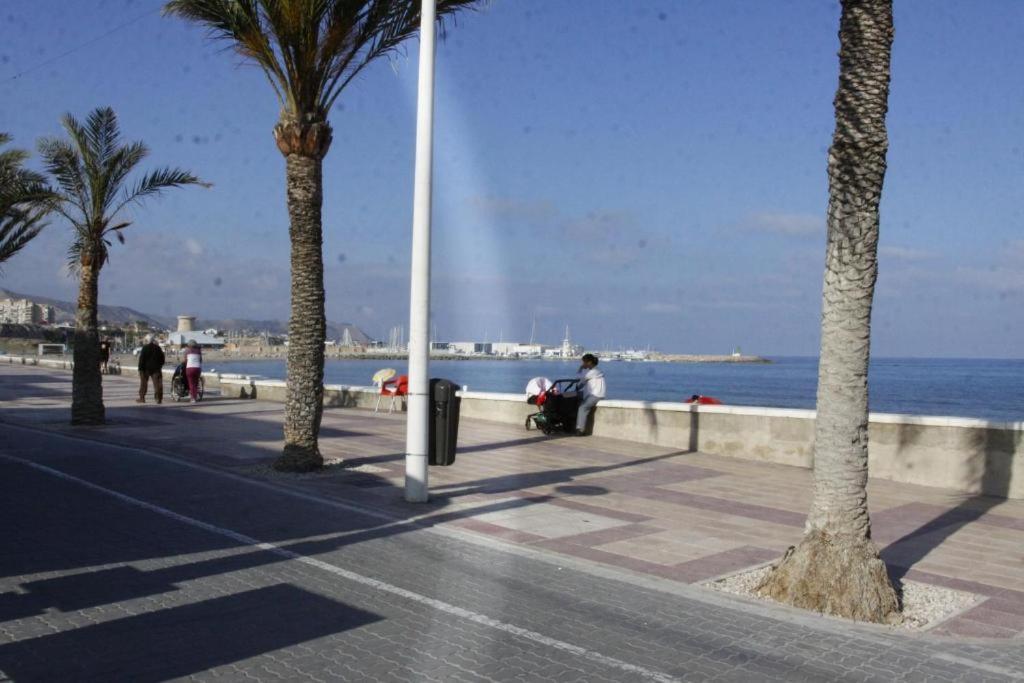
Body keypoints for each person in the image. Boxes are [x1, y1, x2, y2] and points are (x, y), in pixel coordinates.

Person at [575, 353, 606, 436]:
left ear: (589, 362)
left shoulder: (592, 372)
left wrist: (580, 369)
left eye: (584, 362)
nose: (583, 364)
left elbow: (580, 382)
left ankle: (580, 429)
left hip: (595, 395)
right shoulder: (597, 371)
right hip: (597, 394)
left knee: (582, 407)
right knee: (576, 397)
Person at [136, 335, 165, 404]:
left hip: (145, 369)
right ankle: (158, 399)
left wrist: (140, 369)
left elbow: (141, 359)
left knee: (143, 384)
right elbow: (162, 359)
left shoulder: (145, 348)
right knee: (157, 384)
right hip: (156, 369)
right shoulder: (158, 348)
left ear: (147, 341)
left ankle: (142, 398)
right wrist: (160, 366)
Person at [183, 340, 202, 404]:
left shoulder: (187, 351)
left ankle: (193, 398)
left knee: (191, 383)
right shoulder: (198, 351)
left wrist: (186, 364)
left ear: (189, 345)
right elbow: (201, 360)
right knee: (196, 383)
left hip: (190, 368)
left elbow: (185, 360)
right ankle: (195, 396)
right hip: (197, 368)